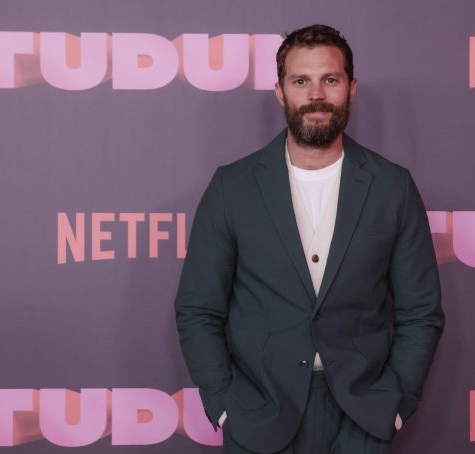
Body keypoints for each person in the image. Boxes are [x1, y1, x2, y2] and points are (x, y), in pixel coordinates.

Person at [174, 24, 444, 454]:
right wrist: (225, 405)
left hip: (362, 418)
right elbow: (197, 309)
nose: (316, 94)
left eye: (330, 80)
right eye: (301, 81)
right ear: (281, 91)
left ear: (351, 88)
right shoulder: (233, 187)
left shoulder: (393, 187)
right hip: (258, 416)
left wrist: (394, 404)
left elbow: (421, 313)